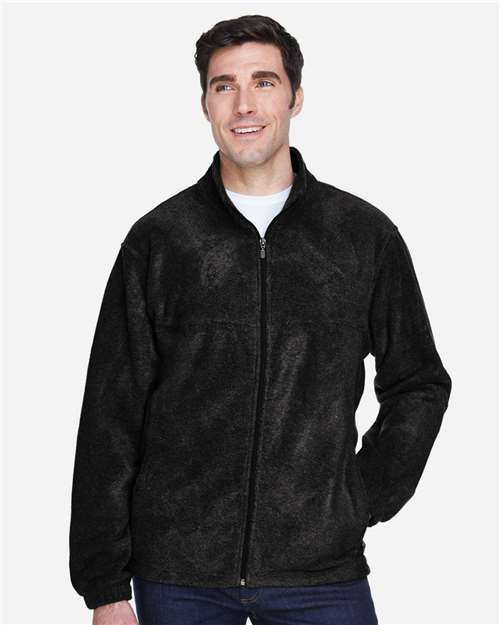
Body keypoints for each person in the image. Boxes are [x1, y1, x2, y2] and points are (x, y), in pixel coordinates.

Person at [69, 14, 452, 625]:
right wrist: (105, 587)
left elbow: (419, 382)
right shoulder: (160, 241)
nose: (244, 104)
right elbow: (110, 416)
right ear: (205, 104)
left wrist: (357, 498)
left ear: (295, 97)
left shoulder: (361, 236)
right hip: (178, 574)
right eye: (224, 86)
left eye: (264, 82)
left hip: (320, 573)